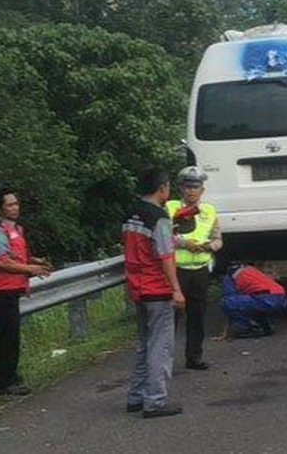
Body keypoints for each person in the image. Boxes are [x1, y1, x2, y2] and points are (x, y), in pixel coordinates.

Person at [123, 168, 185, 418]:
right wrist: (176, 289)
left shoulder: (131, 213)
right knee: (161, 347)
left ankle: (135, 397)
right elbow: (165, 256)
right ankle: (155, 401)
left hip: (137, 286)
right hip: (157, 288)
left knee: (144, 345)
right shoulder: (158, 217)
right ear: (162, 188)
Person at [0, 188, 52, 396]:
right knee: (8, 339)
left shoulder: (16, 230)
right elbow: (2, 262)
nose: (15, 208)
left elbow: (17, 257)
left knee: (12, 338)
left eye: (16, 204)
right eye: (10, 205)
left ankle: (10, 376)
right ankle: (3, 383)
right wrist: (31, 270)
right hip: (1, 292)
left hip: (12, 290)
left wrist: (36, 261)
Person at [165, 166, 222, 371]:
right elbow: (165, 236)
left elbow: (218, 240)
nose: (191, 191)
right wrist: (184, 244)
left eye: (195, 187)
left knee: (197, 316)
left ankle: (194, 357)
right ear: (181, 188)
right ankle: (165, 360)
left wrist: (208, 246)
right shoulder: (170, 208)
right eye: (187, 187)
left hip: (199, 269)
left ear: (202, 190)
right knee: (172, 317)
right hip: (177, 269)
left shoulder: (209, 210)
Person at [218, 264, 287, 339]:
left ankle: (249, 327)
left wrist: (225, 331)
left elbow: (229, 297)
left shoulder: (228, 277)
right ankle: (264, 326)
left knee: (227, 302)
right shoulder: (250, 269)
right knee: (249, 303)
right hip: (280, 296)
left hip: (266, 298)